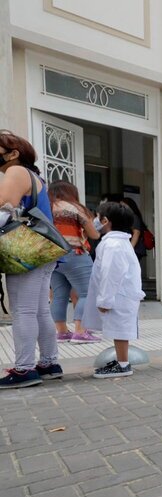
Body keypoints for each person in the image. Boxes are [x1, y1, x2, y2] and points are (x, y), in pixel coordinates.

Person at [0, 130, 62, 389]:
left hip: (24, 249)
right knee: (38, 310)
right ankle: (49, 363)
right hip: (43, 248)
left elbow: (4, 204)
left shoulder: (16, 172)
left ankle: (24, 369)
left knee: (23, 310)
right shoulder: (35, 177)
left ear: (13, 154)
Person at [84, 202, 145, 379]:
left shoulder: (113, 245)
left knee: (120, 330)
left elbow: (111, 274)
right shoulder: (118, 242)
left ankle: (123, 365)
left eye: (97, 217)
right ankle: (121, 361)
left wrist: (105, 300)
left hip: (119, 295)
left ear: (105, 221)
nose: (95, 220)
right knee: (120, 329)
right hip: (122, 294)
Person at [48, 180, 101, 344]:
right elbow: (94, 235)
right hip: (74, 254)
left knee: (58, 295)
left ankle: (62, 332)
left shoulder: (47, 207)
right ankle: (80, 331)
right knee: (87, 293)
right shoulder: (75, 208)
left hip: (51, 257)